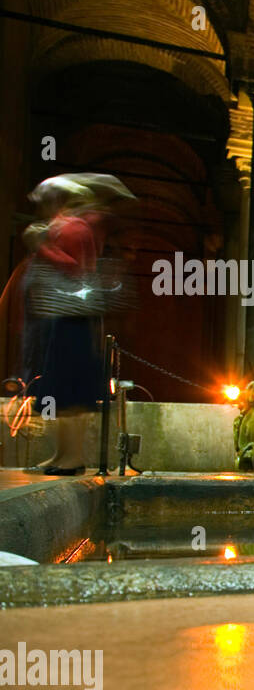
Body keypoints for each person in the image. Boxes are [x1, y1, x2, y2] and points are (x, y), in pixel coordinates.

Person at [14, 174, 134, 474]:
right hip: (63, 317)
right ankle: (62, 454)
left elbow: (75, 268)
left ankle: (73, 458)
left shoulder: (77, 226)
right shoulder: (72, 224)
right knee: (63, 390)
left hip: (72, 318)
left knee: (71, 393)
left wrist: (41, 245)